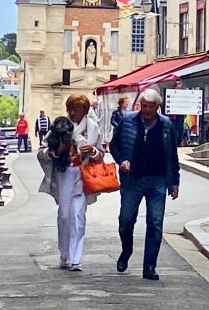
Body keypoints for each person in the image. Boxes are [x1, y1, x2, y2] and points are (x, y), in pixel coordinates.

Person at [110, 88, 180, 281]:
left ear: (158, 107)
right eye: (144, 106)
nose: (147, 110)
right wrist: (122, 160)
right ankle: (127, 250)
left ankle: (149, 266)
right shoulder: (127, 121)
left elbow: (172, 155)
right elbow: (114, 145)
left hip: (158, 180)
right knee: (125, 221)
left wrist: (174, 181)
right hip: (133, 179)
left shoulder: (166, 125)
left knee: (155, 223)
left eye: (151, 107)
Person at [37, 94, 103, 271]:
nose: (72, 113)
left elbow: (101, 153)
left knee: (79, 215)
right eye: (70, 109)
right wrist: (58, 151)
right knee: (65, 215)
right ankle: (64, 254)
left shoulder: (93, 128)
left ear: (85, 111)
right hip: (64, 173)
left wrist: (94, 151)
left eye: (77, 109)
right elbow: (42, 151)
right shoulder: (59, 126)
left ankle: (76, 258)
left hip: (84, 174)